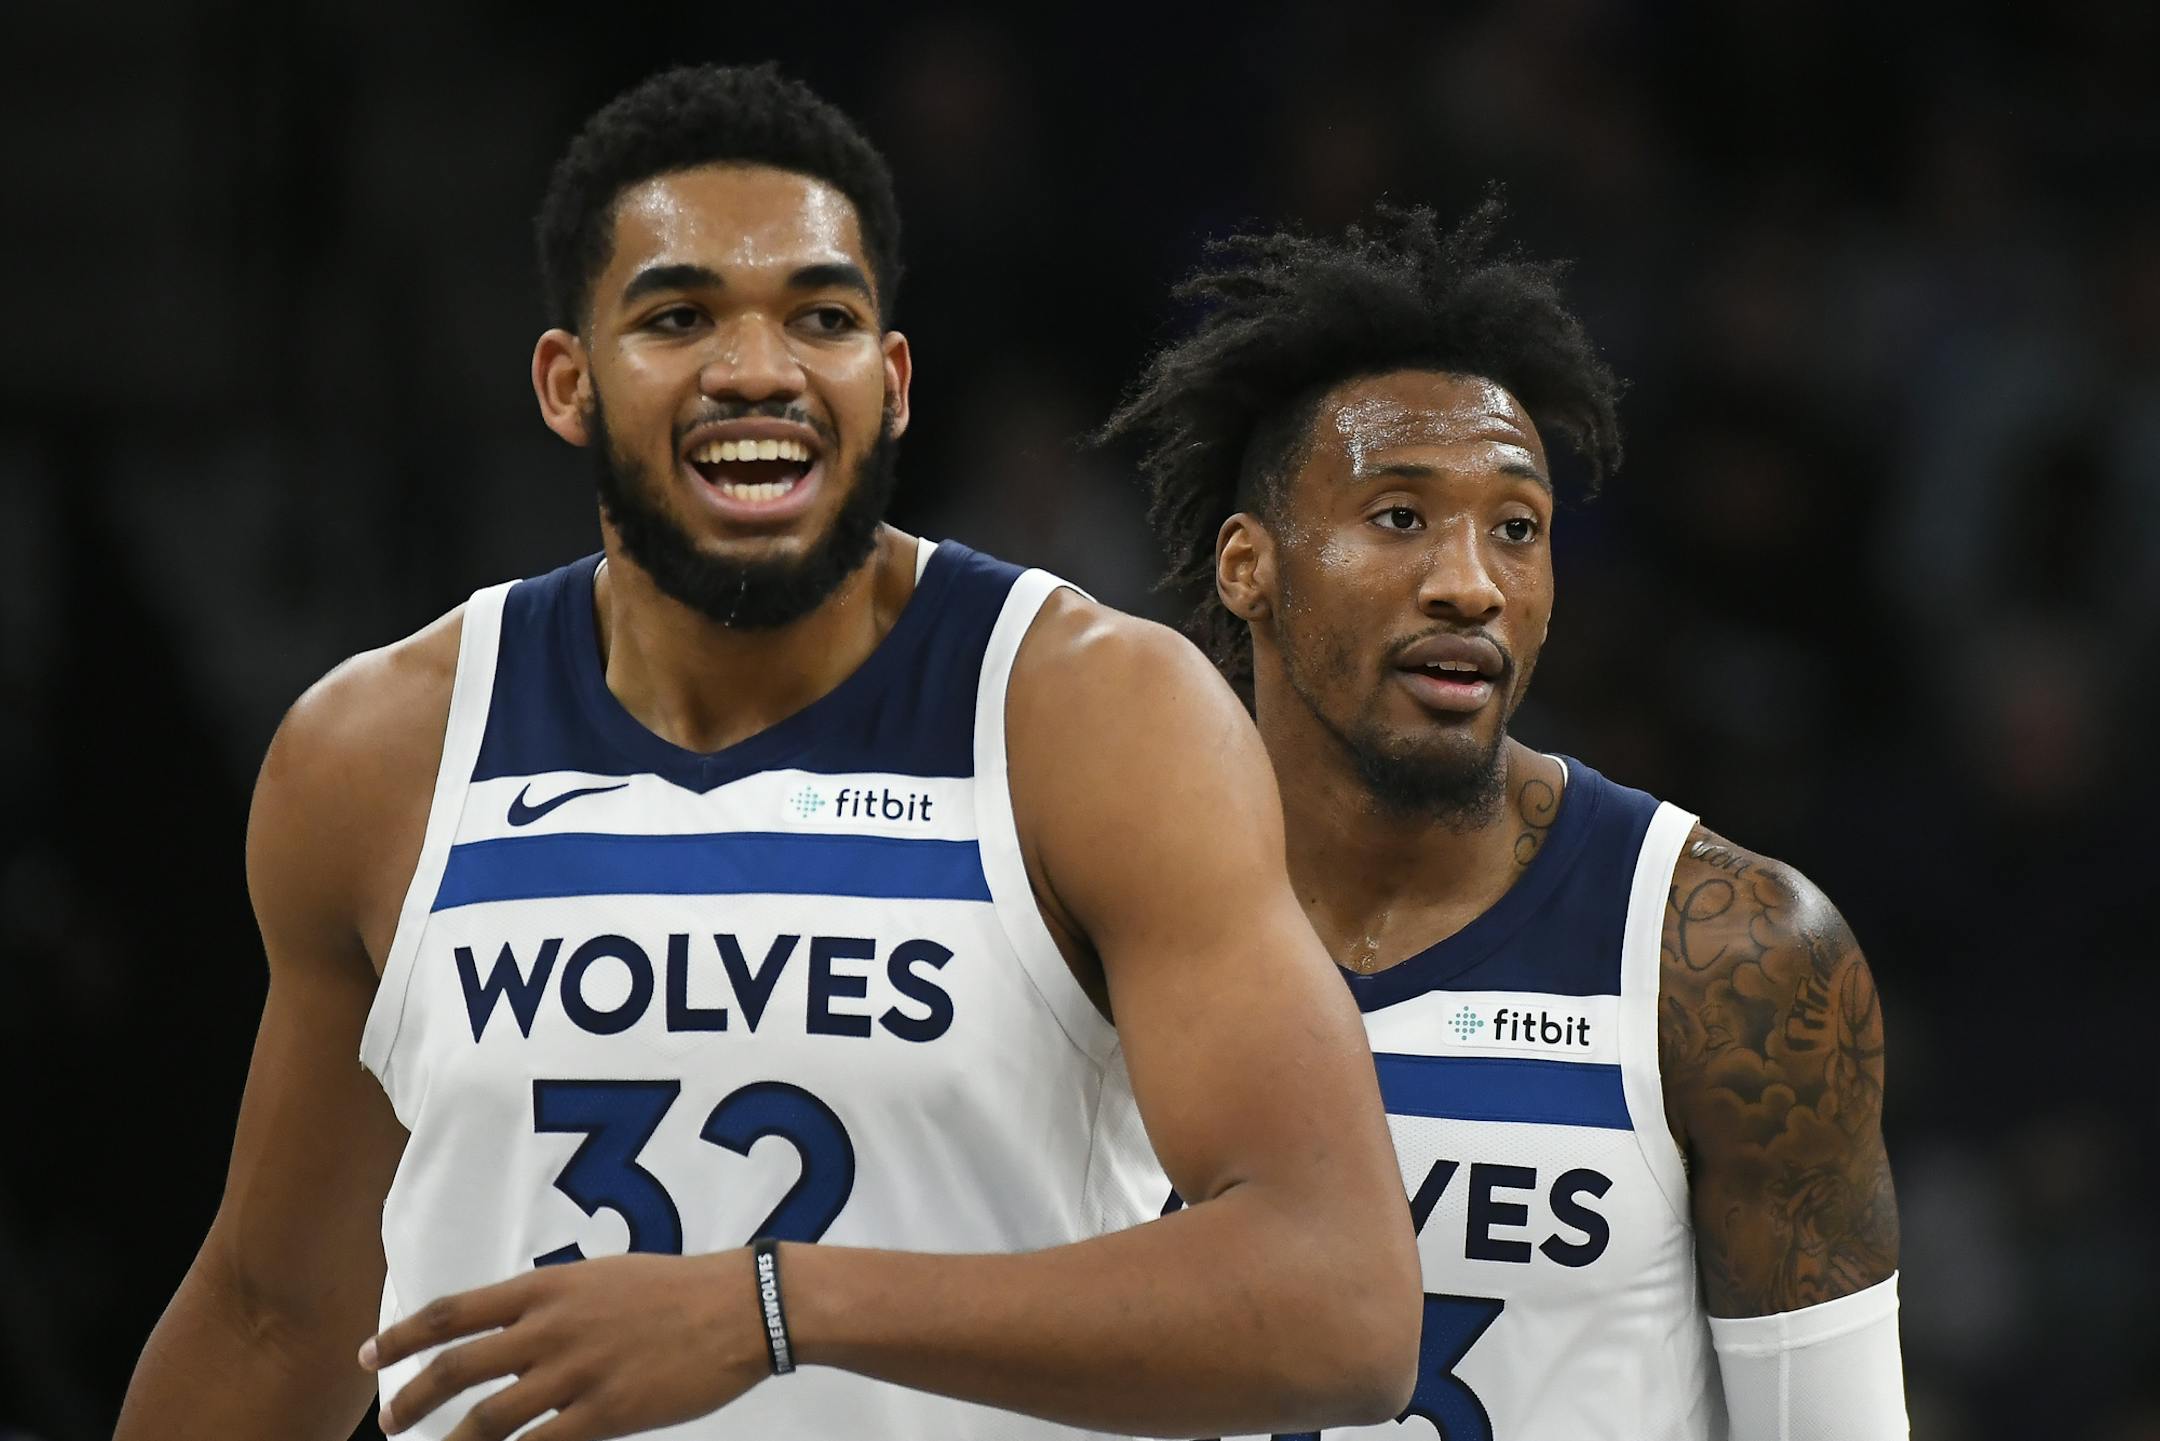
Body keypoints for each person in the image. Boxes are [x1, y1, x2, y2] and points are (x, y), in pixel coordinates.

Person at [114, 63, 1421, 1441]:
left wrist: (772, 1306)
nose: (757, 370)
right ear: (570, 381)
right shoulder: (379, 751)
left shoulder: (1087, 714)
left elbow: (1338, 1301)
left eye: (823, 317)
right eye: (680, 317)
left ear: (892, 381)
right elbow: (279, 1318)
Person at [1103, 201, 1907, 1440]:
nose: (1470, 582)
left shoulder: (1730, 955)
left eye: (1517, 529)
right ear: (1248, 565)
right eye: (1401, 517)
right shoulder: (1069, 921)